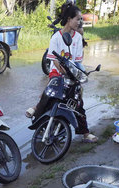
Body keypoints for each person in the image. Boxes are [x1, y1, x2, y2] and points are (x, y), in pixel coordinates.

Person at [25, 2, 98, 143]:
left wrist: (76, 75)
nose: (80, 22)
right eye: (78, 19)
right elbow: (54, 59)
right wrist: (62, 72)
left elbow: (77, 61)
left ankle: (85, 133)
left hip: (71, 73)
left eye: (81, 19)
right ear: (69, 19)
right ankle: (38, 110)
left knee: (77, 102)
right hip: (57, 72)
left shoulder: (77, 37)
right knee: (51, 93)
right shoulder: (56, 37)